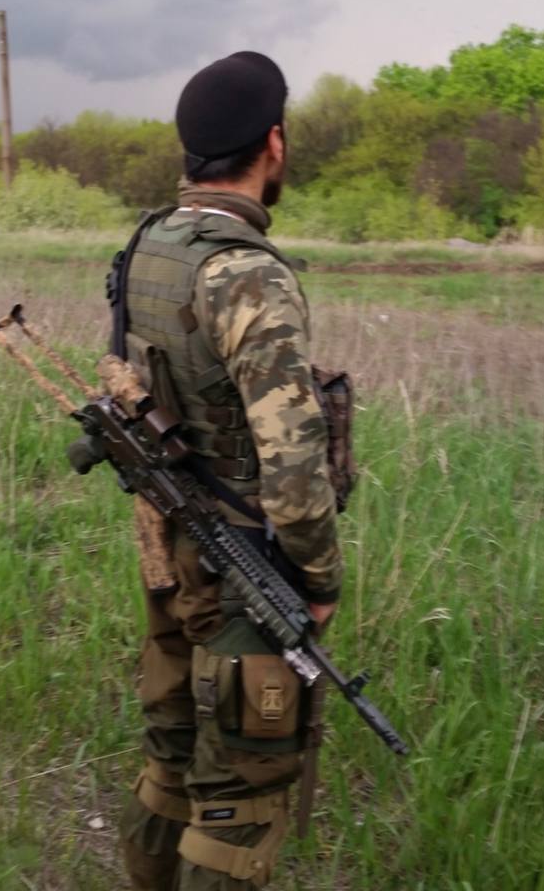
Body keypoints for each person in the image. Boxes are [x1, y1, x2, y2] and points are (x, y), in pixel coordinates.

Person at [117, 51, 342, 890]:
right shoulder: (247, 272)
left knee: (170, 759)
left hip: (166, 554)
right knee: (237, 800)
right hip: (246, 568)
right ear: (274, 145)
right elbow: (291, 462)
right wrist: (316, 579)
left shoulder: (151, 243)